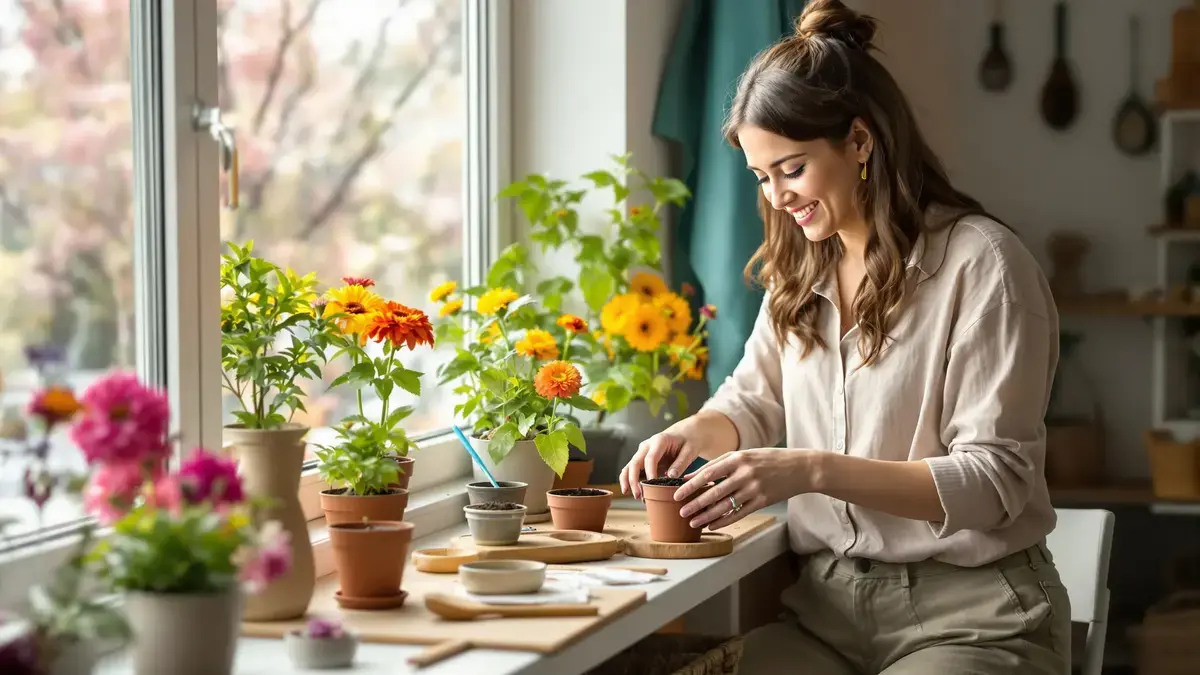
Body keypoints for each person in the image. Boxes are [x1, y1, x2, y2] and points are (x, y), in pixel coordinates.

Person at [618, 1, 1070, 673]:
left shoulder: (983, 265)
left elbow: (993, 480)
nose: (777, 198)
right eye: (761, 176)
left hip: (975, 617)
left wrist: (810, 469)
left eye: (791, 168)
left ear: (859, 141)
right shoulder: (799, 268)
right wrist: (695, 432)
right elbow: (753, 400)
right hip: (825, 616)